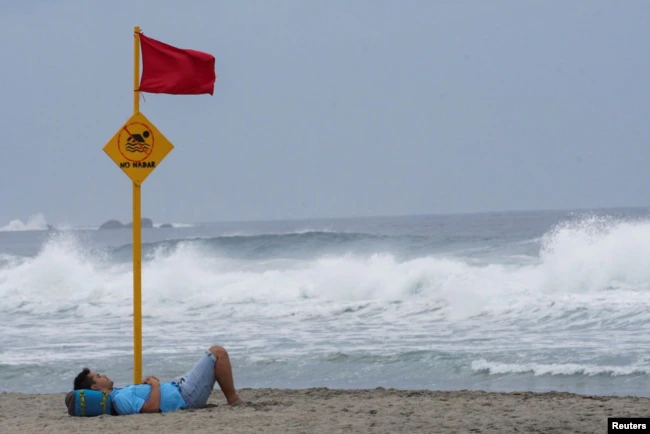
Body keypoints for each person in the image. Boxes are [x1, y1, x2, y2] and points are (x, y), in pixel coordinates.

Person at [69, 345, 242, 415]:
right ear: (95, 387)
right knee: (217, 353)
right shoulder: (119, 399)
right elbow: (151, 409)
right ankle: (233, 400)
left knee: (214, 355)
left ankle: (233, 398)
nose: (104, 375)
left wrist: (150, 385)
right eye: (98, 376)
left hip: (180, 389)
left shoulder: (118, 394)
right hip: (185, 396)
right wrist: (155, 385)